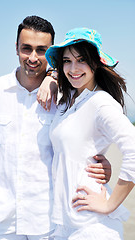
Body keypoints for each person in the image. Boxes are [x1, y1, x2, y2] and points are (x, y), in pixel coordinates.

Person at [0, 16, 111, 240]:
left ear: (51, 53)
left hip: (50, 221)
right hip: (3, 221)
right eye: (26, 48)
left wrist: (101, 166)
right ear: (16, 48)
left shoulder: (66, 97)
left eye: (41, 50)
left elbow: (83, 145)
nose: (32, 57)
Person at [45, 27, 135, 239]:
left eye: (81, 60)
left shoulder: (101, 103)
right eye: (67, 61)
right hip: (63, 223)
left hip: (92, 225)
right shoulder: (68, 102)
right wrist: (49, 77)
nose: (73, 68)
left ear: (96, 63)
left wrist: (109, 205)